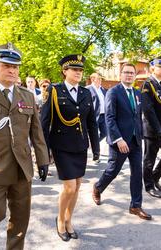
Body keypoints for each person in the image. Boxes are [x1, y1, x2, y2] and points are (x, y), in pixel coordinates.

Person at [0, 42, 49, 250]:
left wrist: (42, 159)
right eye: (6, 65)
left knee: (21, 218)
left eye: (15, 66)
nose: (12, 70)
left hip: (21, 167)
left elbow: (36, 132)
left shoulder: (27, 95)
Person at [41, 54, 100, 241]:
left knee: (77, 186)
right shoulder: (55, 90)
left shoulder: (86, 93)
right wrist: (44, 151)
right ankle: (60, 219)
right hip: (61, 145)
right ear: (64, 71)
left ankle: (68, 220)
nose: (78, 73)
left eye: (81, 70)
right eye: (75, 69)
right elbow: (45, 122)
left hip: (80, 145)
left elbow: (91, 122)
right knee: (69, 186)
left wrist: (96, 146)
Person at [92, 63, 152, 220]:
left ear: (134, 76)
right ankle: (98, 187)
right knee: (113, 171)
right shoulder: (113, 92)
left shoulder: (138, 94)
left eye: (132, 73)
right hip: (120, 141)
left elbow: (138, 117)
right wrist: (118, 139)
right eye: (126, 72)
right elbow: (109, 118)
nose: (129, 75)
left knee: (137, 173)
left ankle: (135, 206)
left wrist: (141, 135)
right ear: (121, 75)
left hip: (136, 141)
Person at [140, 58, 161, 198]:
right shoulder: (147, 85)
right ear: (152, 68)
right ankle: (149, 186)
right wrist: (157, 128)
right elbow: (147, 109)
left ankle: (155, 177)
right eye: (160, 67)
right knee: (150, 159)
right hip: (153, 130)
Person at [86, 73, 107, 163]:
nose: (100, 80)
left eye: (101, 79)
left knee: (105, 132)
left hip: (103, 115)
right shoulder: (88, 89)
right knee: (93, 134)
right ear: (92, 79)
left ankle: (93, 143)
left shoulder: (103, 89)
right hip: (93, 116)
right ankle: (96, 156)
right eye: (98, 79)